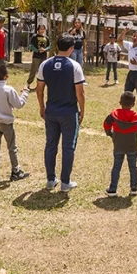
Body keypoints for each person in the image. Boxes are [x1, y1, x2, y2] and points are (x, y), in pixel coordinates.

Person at [36, 35, 86, 192]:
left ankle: (51, 179)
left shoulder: (45, 64)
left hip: (51, 111)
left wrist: (41, 107)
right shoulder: (75, 66)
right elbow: (80, 93)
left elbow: (39, 90)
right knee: (68, 147)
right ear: (71, 48)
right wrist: (82, 110)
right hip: (69, 112)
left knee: (50, 145)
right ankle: (65, 182)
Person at [0, 64, 30, 182]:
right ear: (6, 77)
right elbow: (19, 104)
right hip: (6, 123)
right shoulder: (8, 90)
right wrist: (25, 93)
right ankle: (15, 171)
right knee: (12, 147)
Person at [103, 91, 137, 196]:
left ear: (120, 102)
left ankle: (113, 189)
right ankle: (134, 188)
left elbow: (106, 124)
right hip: (132, 145)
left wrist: (110, 134)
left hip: (118, 144)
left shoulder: (114, 115)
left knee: (116, 166)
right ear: (133, 104)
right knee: (133, 167)